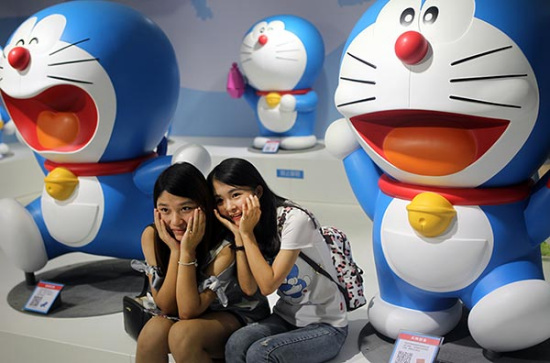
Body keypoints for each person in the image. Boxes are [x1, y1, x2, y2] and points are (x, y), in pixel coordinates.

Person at [207, 158, 348, 363]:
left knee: (261, 354)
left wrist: (247, 236)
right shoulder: (249, 225)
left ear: (258, 192)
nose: (228, 207)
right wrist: (240, 237)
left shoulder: (294, 219)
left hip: (327, 325)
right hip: (285, 317)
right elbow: (249, 288)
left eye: (235, 195)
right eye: (219, 200)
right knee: (236, 343)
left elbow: (267, 286)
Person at [135, 162, 270, 363]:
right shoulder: (152, 236)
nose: (175, 221)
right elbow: (165, 306)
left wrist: (187, 252)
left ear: (204, 205)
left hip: (236, 312)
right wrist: (175, 251)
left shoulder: (224, 246)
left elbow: (189, 311)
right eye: (165, 210)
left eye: (186, 208)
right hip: (190, 314)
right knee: (153, 331)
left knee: (183, 335)